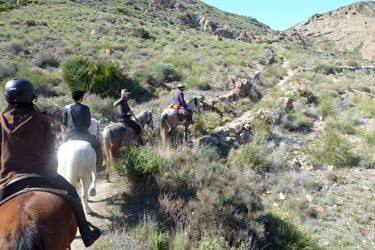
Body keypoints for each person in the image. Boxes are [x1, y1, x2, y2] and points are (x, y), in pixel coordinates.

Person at [0, 78, 100, 247]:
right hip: (43, 174)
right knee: (73, 196)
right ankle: (87, 234)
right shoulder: (42, 120)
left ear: (7, 98)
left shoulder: (1, 121)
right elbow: (50, 149)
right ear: (32, 97)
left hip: (10, 178)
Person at [62, 89, 105, 173]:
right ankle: (99, 166)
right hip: (83, 134)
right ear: (81, 98)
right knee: (98, 145)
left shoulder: (66, 108)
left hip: (69, 134)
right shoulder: (85, 108)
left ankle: (56, 168)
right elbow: (88, 124)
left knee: (59, 148)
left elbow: (64, 123)